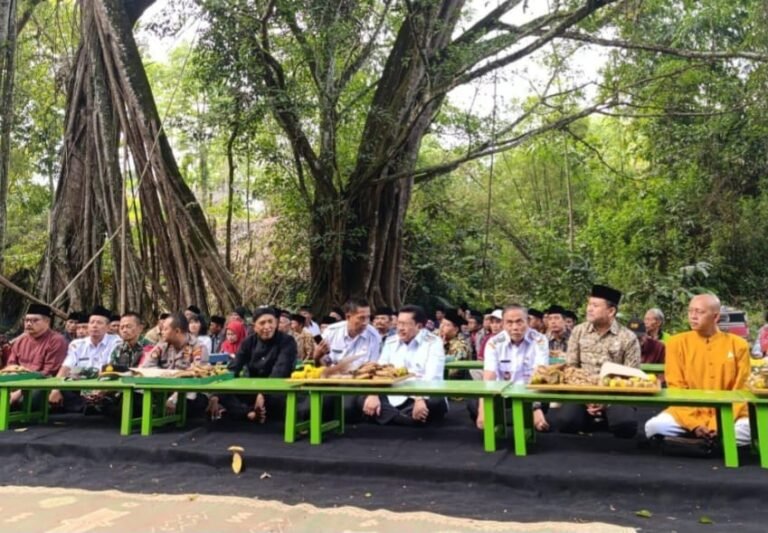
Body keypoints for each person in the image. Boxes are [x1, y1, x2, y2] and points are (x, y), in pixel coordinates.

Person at [645, 294, 751, 446]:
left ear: (715, 317)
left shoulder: (738, 345)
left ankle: (695, 440)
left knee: (750, 429)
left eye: (699, 312)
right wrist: (694, 425)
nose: (693, 316)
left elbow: (741, 389)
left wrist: (717, 425)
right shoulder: (676, 343)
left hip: (729, 412)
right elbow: (676, 388)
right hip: (687, 412)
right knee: (653, 427)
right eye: (690, 311)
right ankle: (709, 439)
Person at [553, 285, 641, 438]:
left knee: (625, 426)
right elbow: (571, 368)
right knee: (565, 422)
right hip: (582, 392)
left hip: (616, 395)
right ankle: (595, 418)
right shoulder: (579, 331)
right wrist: (587, 399)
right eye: (589, 304)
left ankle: (604, 417)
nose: (589, 309)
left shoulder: (628, 337)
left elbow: (632, 375)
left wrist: (605, 402)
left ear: (611, 311)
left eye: (595, 305)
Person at [360, 305, 447, 425]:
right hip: (393, 393)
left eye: (405, 324)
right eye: (399, 323)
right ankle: (404, 418)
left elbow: (432, 376)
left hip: (420, 394)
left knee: (435, 401)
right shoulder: (391, 342)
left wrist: (419, 398)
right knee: (362, 398)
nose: (400, 328)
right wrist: (373, 394)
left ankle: (387, 416)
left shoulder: (433, 343)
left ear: (419, 326)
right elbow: (380, 371)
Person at [212, 307, 297, 422]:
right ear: (254, 326)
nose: (267, 327)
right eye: (262, 323)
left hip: (277, 390)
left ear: (276, 323)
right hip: (252, 390)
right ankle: (249, 413)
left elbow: (280, 372)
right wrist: (216, 395)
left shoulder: (287, 341)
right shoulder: (248, 342)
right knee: (223, 394)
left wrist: (263, 394)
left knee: (282, 399)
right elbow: (233, 368)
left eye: (270, 322)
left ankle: (250, 412)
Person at [472, 305, 550, 430]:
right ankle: (525, 416)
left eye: (519, 322)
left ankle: (533, 411)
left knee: (543, 395)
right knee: (473, 404)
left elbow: (540, 373)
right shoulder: (493, 342)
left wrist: (535, 405)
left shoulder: (540, 340)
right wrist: (482, 410)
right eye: (509, 322)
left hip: (531, 394)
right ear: (503, 324)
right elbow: (489, 376)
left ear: (528, 322)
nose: (515, 327)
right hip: (501, 395)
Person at [49, 306, 122, 413]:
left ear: (107, 327)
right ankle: (89, 406)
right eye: (92, 322)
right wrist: (55, 389)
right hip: (79, 386)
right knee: (61, 388)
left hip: (104, 385)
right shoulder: (77, 344)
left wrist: (100, 387)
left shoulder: (116, 342)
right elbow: (66, 368)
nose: (94, 326)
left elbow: (110, 369)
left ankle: (89, 405)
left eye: (99, 323)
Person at [7, 304, 69, 408]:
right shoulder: (20, 341)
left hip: (43, 384)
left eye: (35, 320)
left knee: (24, 402)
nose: (29, 324)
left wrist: (19, 392)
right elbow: (11, 366)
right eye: (26, 320)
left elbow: (49, 372)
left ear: (47, 322)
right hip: (17, 382)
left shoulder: (57, 340)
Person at [313, 299, 380, 368]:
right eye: (361, 318)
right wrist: (317, 356)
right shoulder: (331, 332)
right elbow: (323, 359)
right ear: (348, 317)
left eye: (368, 317)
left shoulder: (373, 336)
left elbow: (372, 367)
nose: (365, 322)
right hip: (331, 376)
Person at [440, 309, 472, 379]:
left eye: (447, 325)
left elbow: (453, 371)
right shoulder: (436, 340)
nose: (442, 327)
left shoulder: (462, 345)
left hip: (457, 383)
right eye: (441, 323)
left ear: (456, 329)